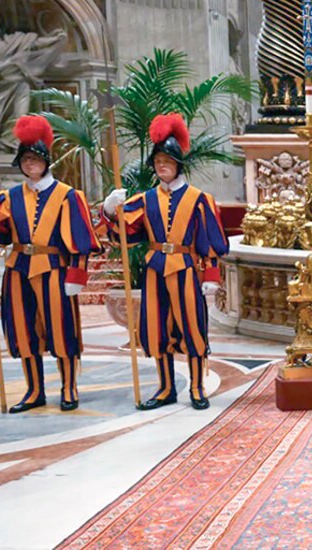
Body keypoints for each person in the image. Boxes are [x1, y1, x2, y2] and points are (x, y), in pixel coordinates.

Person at [0, 115, 100, 412]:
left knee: (61, 329)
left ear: (46, 161)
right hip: (17, 270)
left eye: (35, 159)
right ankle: (34, 391)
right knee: (23, 330)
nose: (30, 164)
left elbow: (81, 238)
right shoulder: (8, 197)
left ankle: (69, 387)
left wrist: (76, 274)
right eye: (25, 159)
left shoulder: (68, 196)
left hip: (55, 270)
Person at [102, 113, 229, 410]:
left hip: (185, 268)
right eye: (157, 161)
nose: (161, 166)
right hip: (155, 269)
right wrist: (110, 209)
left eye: (167, 161)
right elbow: (126, 230)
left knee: (192, 327)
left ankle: (197, 387)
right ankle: (166, 388)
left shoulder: (199, 199)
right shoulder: (145, 199)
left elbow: (210, 238)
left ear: (177, 163)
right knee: (156, 328)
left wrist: (211, 275)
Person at [0, 20, 67, 152]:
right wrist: (6, 63)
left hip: (20, 84)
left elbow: (36, 43)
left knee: (21, 110)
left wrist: (54, 38)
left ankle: (12, 141)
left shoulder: (14, 40)